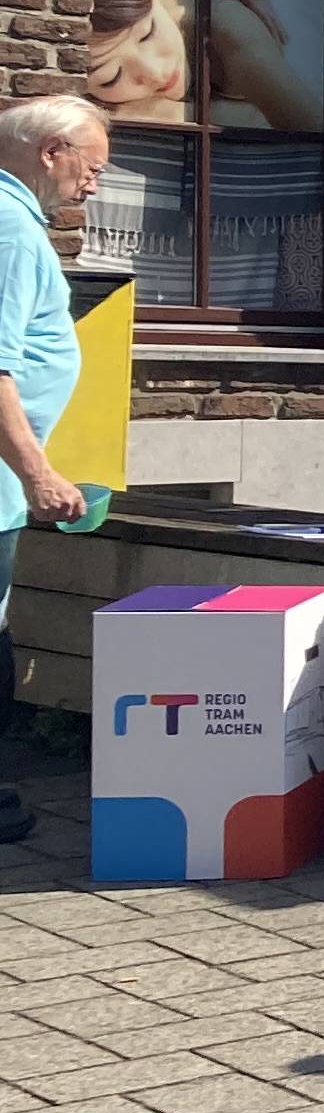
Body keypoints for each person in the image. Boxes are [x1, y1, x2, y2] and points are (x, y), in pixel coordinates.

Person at [0, 98, 109, 845]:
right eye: (92, 166)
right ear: (51, 151)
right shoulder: (9, 229)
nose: (93, 185)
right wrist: (39, 475)